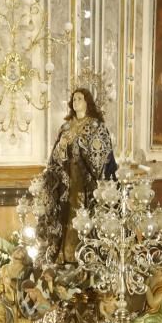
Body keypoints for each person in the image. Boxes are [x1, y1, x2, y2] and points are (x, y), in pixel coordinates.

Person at [42, 87, 115, 261]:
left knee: (82, 213)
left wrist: (81, 145)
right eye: (74, 99)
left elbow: (101, 159)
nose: (76, 102)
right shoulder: (66, 127)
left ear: (87, 102)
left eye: (80, 99)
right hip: (66, 181)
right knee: (65, 214)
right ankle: (65, 256)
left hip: (86, 182)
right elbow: (55, 157)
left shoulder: (96, 126)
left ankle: (86, 256)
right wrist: (61, 147)